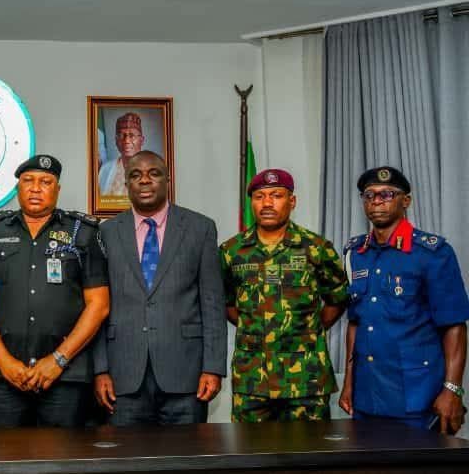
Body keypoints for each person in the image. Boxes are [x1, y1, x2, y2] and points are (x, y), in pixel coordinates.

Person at [0, 154, 110, 427]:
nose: (36, 188)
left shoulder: (82, 233)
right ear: (17, 188)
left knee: (62, 453)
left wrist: (57, 360)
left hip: (67, 375)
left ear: (57, 189)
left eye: (45, 182)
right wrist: (5, 362)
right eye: (28, 181)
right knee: (5, 453)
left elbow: (99, 305)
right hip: (5, 375)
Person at [93, 151, 226, 425]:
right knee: (127, 453)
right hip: (123, 376)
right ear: (126, 184)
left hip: (186, 375)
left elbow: (213, 304)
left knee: (187, 452)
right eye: (135, 175)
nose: (144, 181)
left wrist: (213, 367)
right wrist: (100, 370)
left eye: (153, 173)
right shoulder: (106, 233)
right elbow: (97, 307)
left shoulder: (200, 228)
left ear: (168, 179)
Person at [339, 166, 468, 434]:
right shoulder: (356, 253)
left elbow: (454, 325)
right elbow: (355, 322)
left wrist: (452, 390)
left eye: (387, 194)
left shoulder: (432, 253)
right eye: (369, 195)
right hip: (367, 394)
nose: (377, 201)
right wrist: (349, 383)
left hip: (417, 395)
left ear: (405, 201)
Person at [219, 169, 348, 422]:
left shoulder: (316, 248)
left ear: (292, 201)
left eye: (276, 195)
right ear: (252, 203)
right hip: (252, 379)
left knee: (309, 447)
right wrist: (259, 328)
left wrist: (305, 330)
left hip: (306, 378)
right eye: (259, 197)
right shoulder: (231, 251)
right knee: (248, 446)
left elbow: (337, 299)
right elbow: (226, 303)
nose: (267, 203)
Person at [98, 112, 145, 197]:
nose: (126, 141)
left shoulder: (153, 169)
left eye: (132, 135)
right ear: (116, 141)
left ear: (141, 140)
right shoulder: (105, 169)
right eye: (122, 135)